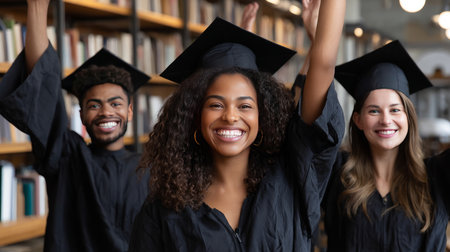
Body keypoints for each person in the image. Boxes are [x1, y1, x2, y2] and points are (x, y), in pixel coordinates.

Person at [128, 0, 346, 250]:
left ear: (262, 117)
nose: (231, 116)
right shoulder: (165, 209)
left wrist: (320, 33)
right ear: (195, 117)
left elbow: (324, 64)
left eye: (245, 106)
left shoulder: (289, 178)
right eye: (216, 105)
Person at [0, 0, 150, 251]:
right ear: (81, 115)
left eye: (116, 104)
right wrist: (37, 8)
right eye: (94, 105)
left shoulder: (151, 170)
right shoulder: (69, 157)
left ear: (130, 111)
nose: (105, 112)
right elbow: (45, 90)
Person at [323, 40, 450, 251]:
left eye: (395, 110)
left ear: (409, 117)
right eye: (374, 111)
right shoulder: (338, 174)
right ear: (358, 120)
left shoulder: (437, 176)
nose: (385, 120)